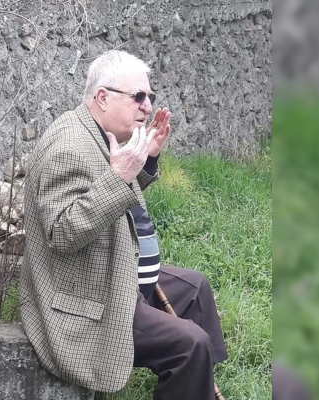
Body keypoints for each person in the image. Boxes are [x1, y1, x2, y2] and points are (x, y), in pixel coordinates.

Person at [20, 50, 228, 400]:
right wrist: (119, 176)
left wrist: (145, 162)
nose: (147, 106)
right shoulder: (68, 147)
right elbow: (63, 232)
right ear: (103, 97)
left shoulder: (96, 132)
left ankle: (199, 383)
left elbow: (106, 198)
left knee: (195, 289)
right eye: (138, 96)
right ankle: (194, 364)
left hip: (116, 274)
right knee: (191, 343)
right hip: (87, 299)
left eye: (150, 97)